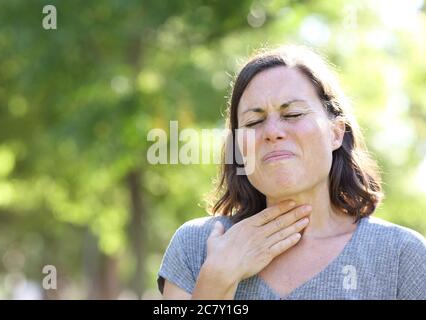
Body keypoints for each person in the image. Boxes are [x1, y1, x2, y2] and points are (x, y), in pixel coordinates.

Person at [157, 45, 426, 299]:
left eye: (293, 114)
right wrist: (217, 279)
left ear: (335, 133)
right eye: (254, 121)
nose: (272, 132)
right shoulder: (195, 246)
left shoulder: (401, 255)